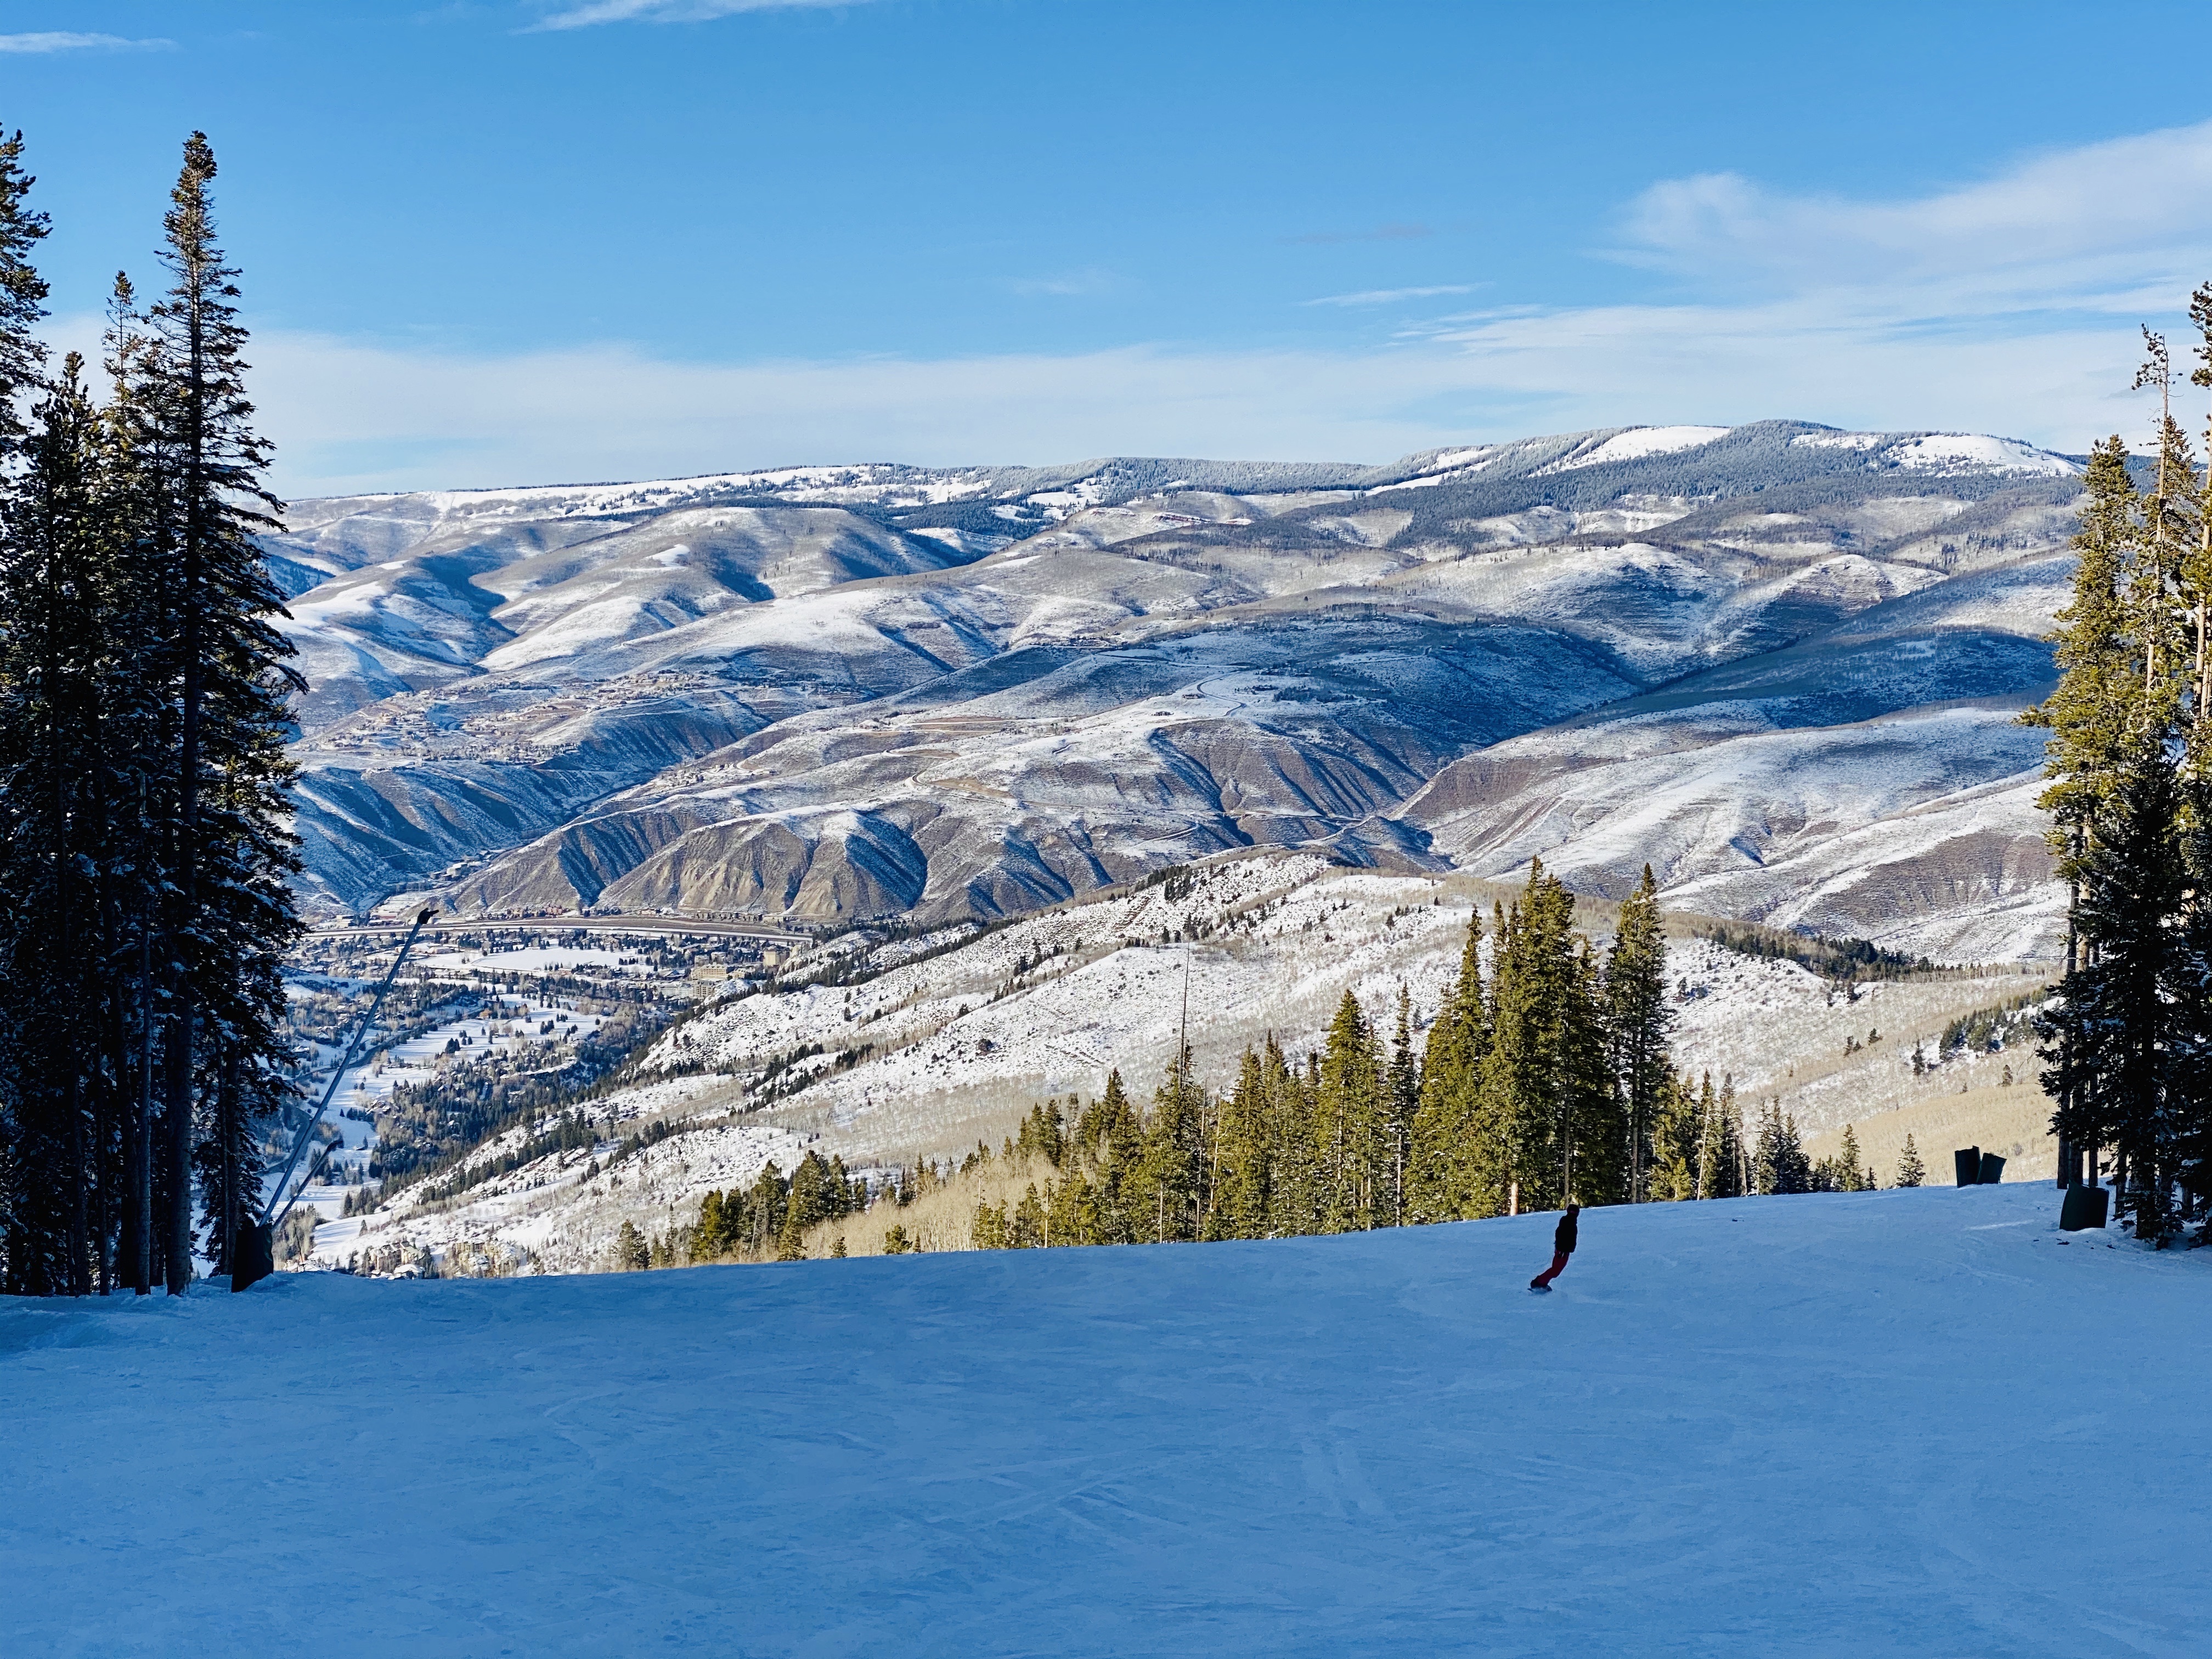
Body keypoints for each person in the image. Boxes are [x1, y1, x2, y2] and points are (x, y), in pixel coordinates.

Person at [1530, 1203, 1578, 1291]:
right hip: (1563, 1251)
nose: (1574, 1213)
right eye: (1572, 1211)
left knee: (1556, 1271)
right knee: (1556, 1271)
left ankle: (1542, 1282)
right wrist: (1561, 1248)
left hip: (1564, 1250)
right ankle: (1539, 1283)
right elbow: (1561, 1235)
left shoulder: (1570, 1222)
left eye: (1575, 1212)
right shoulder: (1568, 1222)